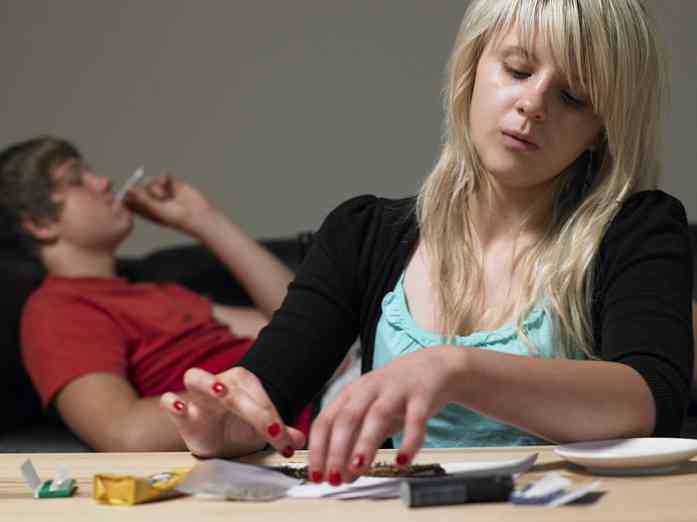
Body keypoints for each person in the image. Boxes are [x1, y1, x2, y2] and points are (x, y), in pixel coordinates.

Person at [164, 0, 694, 483]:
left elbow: (651, 400)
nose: (533, 103)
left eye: (573, 97)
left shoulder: (638, 228)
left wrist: (456, 369)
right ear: (472, 67)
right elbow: (266, 392)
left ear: (601, 129)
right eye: (517, 70)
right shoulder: (361, 234)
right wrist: (234, 427)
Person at [0, 136, 318, 452]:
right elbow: (124, 432)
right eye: (76, 180)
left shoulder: (161, 293)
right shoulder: (59, 309)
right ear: (40, 223)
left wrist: (203, 218)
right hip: (310, 422)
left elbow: (307, 329)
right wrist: (249, 394)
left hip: (329, 390)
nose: (103, 181)